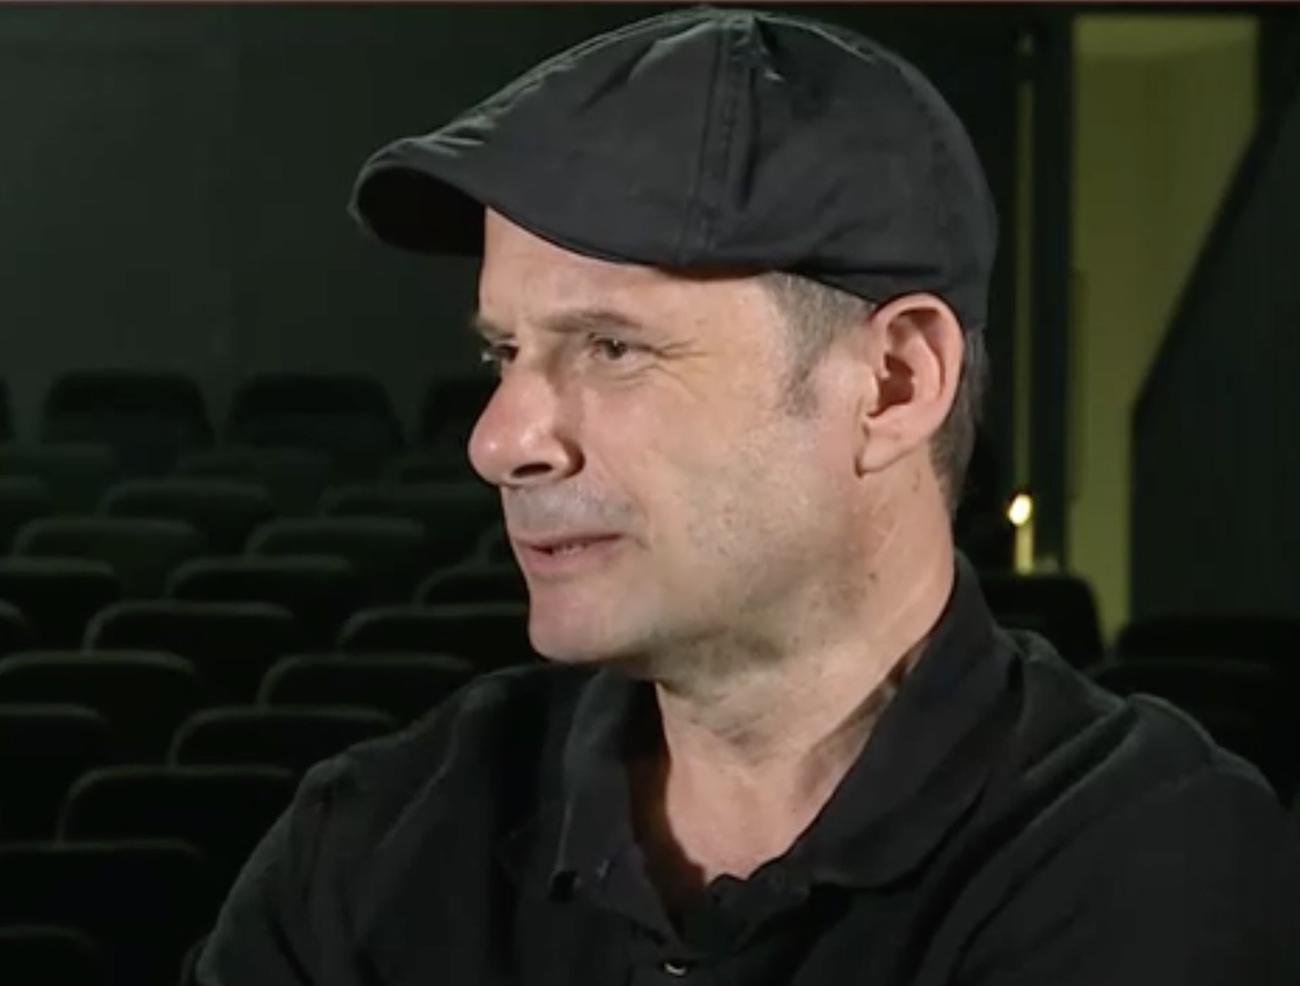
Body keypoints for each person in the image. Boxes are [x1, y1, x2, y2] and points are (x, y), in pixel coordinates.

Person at [186, 7, 1300, 984]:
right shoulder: (373, 848)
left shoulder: (1147, 861)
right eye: (503, 354)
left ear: (893, 382)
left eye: (612, 346)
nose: (499, 440)